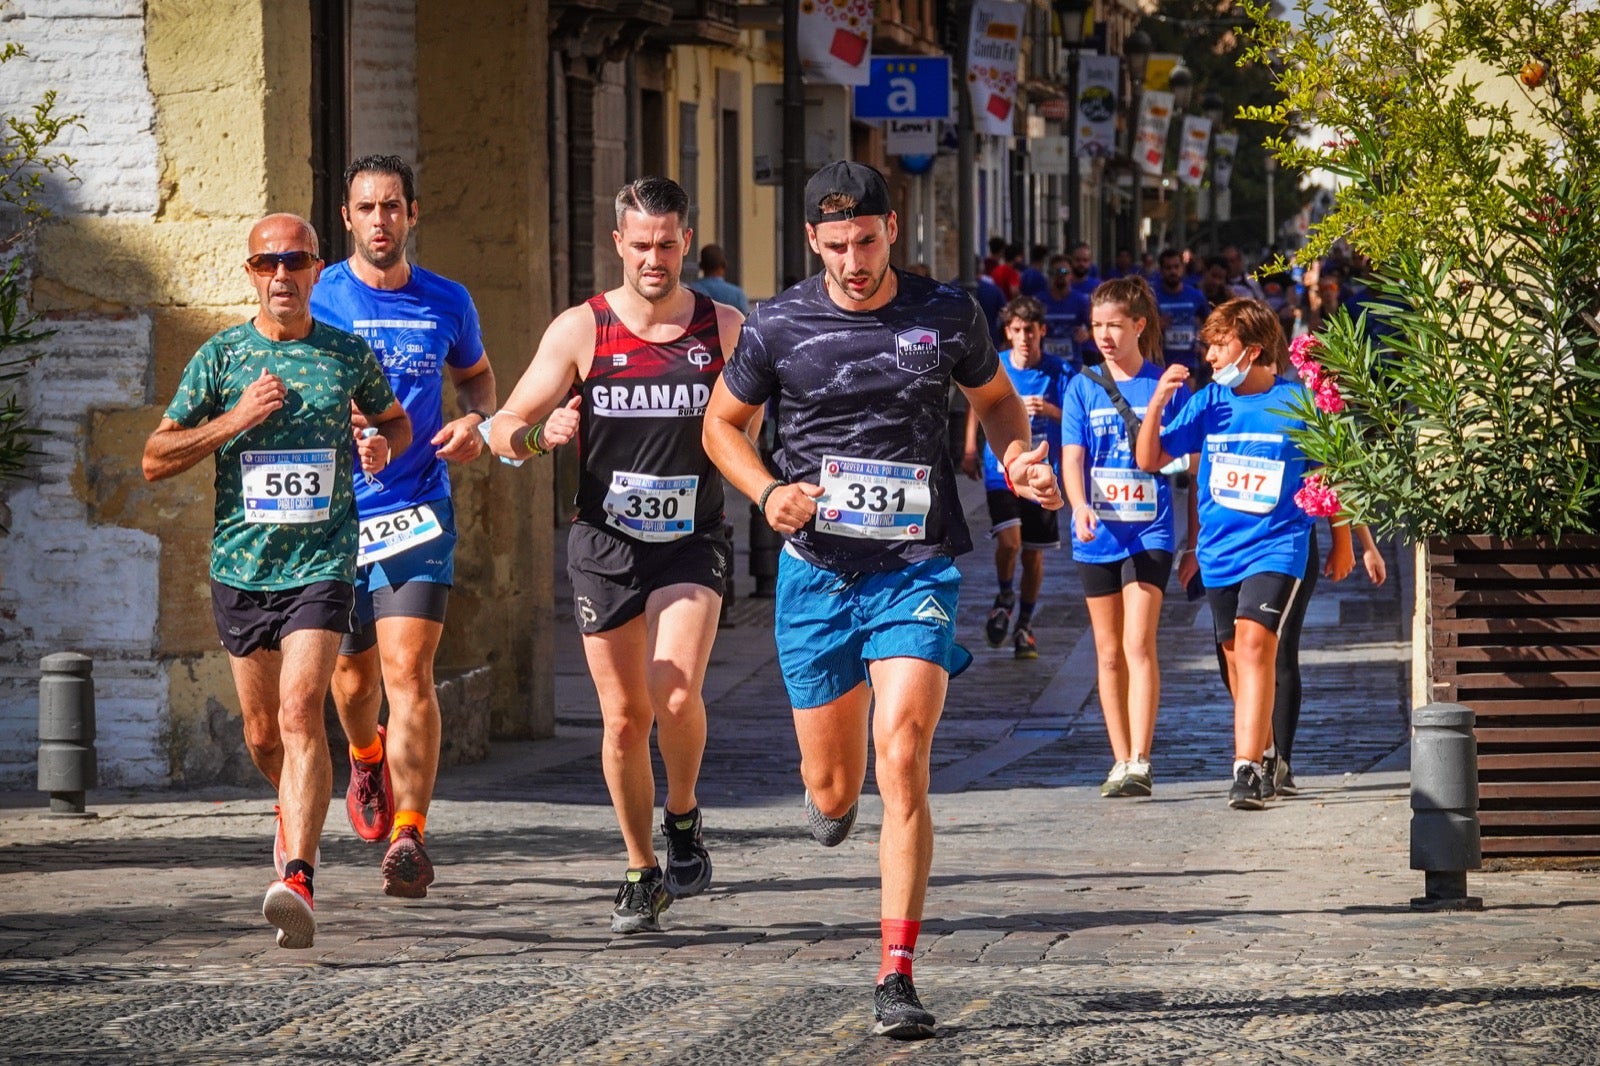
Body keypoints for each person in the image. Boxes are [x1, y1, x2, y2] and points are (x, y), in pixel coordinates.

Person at [702, 161, 1062, 1040]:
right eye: (836, 247)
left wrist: (1016, 460)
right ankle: (831, 800)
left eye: (867, 241)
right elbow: (720, 426)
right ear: (812, 243)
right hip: (817, 573)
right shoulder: (778, 324)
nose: (854, 262)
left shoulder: (948, 315)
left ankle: (895, 972)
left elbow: (1000, 403)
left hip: (915, 565)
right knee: (833, 783)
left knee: (901, 752)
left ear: (891, 229)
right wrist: (765, 492)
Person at [142, 213, 411, 947]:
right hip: (242, 570)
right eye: (268, 264)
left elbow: (395, 422)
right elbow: (154, 456)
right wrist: (235, 419)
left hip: (322, 566)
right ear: (251, 274)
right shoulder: (223, 357)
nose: (283, 275)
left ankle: (298, 875)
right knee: (265, 737)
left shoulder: (345, 353)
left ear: (318, 268)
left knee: (300, 715)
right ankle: (295, 805)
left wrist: (380, 442)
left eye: (296, 261)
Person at [487, 177, 743, 934]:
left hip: (692, 540)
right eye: (641, 246)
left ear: (686, 242)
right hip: (606, 543)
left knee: (672, 693)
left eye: (667, 245)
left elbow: (766, 418)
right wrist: (541, 437)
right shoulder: (582, 329)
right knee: (626, 719)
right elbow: (503, 426)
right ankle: (640, 868)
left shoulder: (723, 327)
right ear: (618, 245)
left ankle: (685, 813)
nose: (654, 260)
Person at [308, 155, 498, 899]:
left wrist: (475, 418)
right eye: (366, 208)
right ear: (348, 218)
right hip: (334, 515)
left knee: (408, 672)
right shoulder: (319, 298)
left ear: (413, 214)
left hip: (416, 508)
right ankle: (365, 754)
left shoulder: (447, 301)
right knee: (352, 683)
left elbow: (475, 374)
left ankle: (410, 833)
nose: (380, 220)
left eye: (393, 207)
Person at [1135, 297, 1323, 810]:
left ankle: (1245, 769)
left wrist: (1350, 542)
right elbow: (1150, 458)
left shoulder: (1296, 402)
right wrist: (1156, 404)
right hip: (1221, 551)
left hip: (1279, 545)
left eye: (1221, 345)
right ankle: (1263, 751)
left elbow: (1329, 474)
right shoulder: (1207, 403)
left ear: (1254, 349)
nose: (1211, 356)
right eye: (1209, 346)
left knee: (1257, 643)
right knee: (1235, 661)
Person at [1062, 277, 1190, 799]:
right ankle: (1118, 759)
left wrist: (1196, 538)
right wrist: (1079, 505)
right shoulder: (1081, 385)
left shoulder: (1165, 382)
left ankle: (1141, 758)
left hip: (1150, 530)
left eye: (1114, 325)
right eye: (1097, 326)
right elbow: (1071, 458)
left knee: (1139, 643)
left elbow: (1187, 460)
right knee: (1108, 651)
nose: (1105, 335)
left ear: (1139, 325)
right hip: (1097, 534)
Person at [961, 295, 1071, 659]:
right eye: (1017, 330)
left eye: (1031, 330)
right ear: (1008, 332)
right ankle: (1005, 593)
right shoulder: (999, 365)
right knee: (1009, 542)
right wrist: (970, 449)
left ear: (1042, 331)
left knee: (1034, 556)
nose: (1024, 337)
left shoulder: (1059, 371)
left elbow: (1077, 418)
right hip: (1001, 470)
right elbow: (980, 407)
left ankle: (1024, 625)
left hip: (1041, 475)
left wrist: (1051, 410)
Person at [1154, 248, 1211, 373]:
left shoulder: (1195, 295)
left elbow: (1210, 324)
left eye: (1176, 267)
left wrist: (1204, 346)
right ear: (1161, 271)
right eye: (1168, 268)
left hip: (1190, 362)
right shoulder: (1152, 296)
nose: (1173, 271)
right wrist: (1156, 326)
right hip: (1161, 364)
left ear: (1182, 268)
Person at [1041, 253, 1094, 371]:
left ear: (1071, 275)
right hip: (1045, 367)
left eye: (1064, 271)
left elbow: (1096, 328)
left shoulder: (1081, 301)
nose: (1060, 275)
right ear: (1050, 274)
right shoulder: (1039, 301)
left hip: (1072, 366)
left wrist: (1087, 334)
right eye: (1056, 271)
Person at [688, 242, 750, 315]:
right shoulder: (737, 294)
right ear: (723, 265)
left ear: (701, 266)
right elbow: (746, 321)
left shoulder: (692, 292)